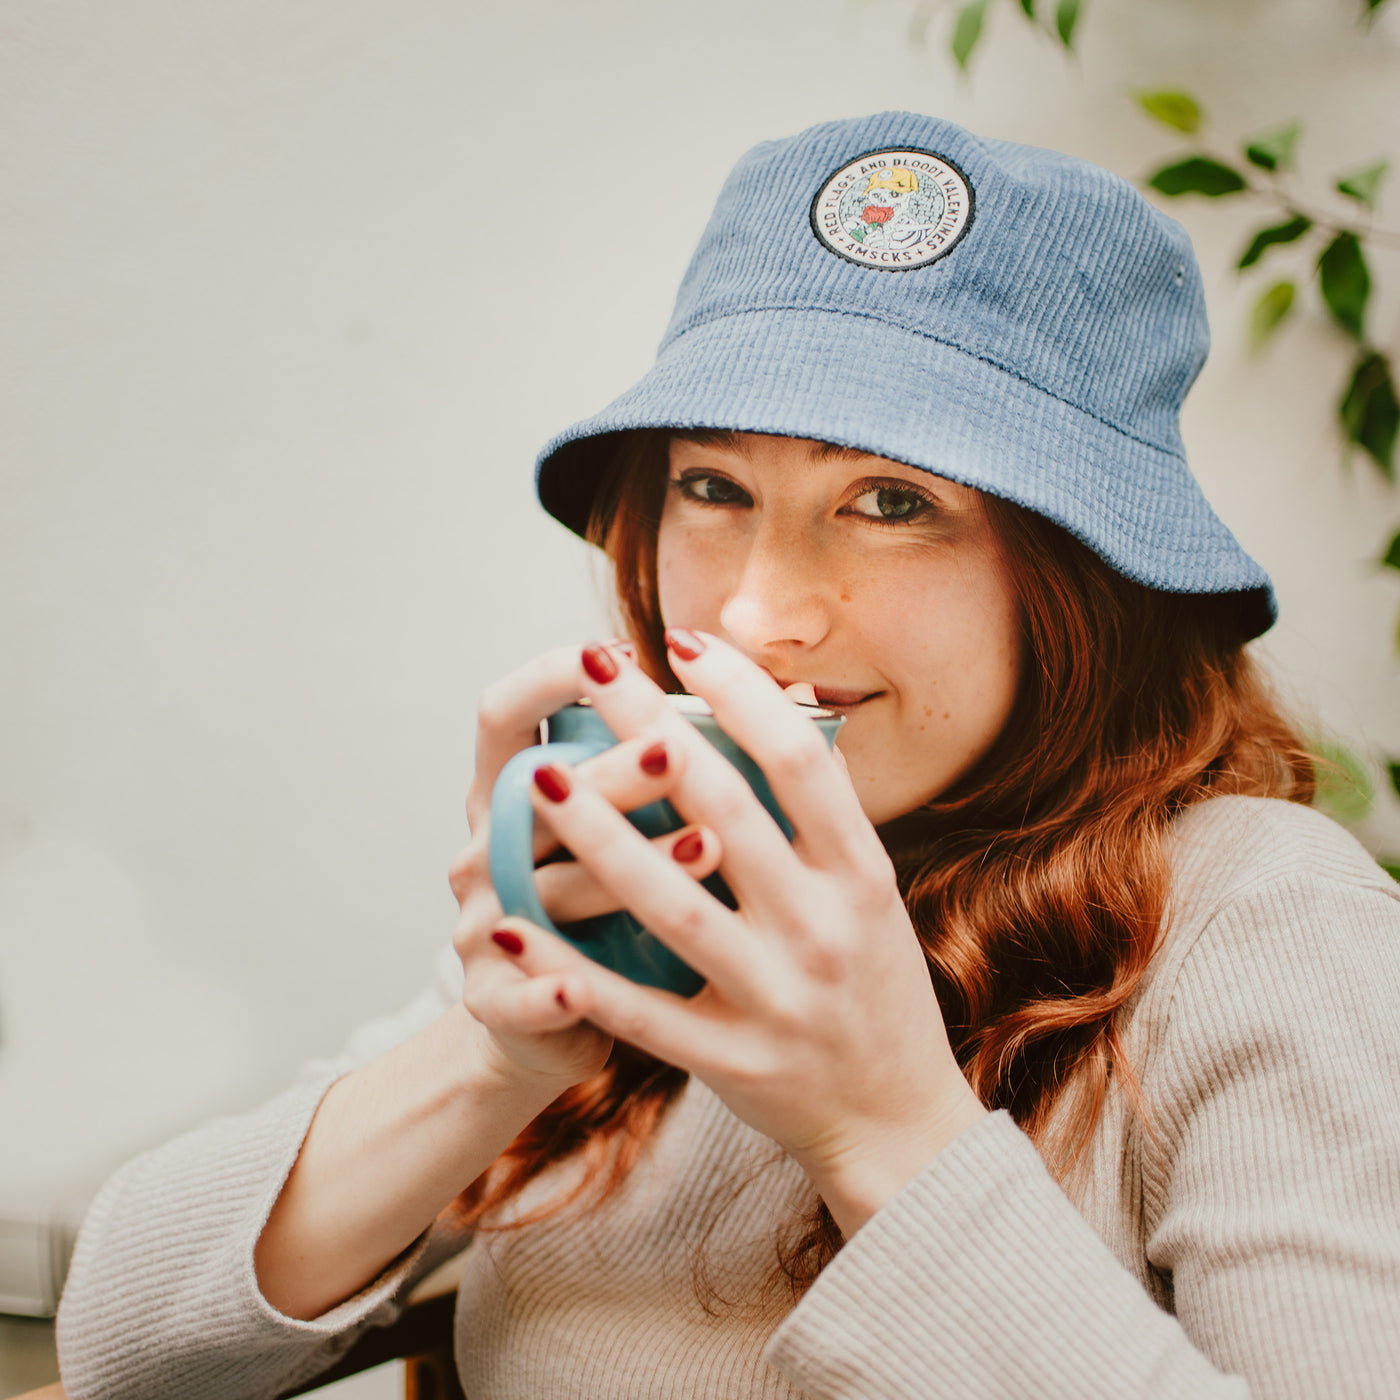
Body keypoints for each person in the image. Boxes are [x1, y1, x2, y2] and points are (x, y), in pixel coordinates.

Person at [55, 111, 1400, 1400]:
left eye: (891, 503)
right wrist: (495, 1057)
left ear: (1087, 580)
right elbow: (124, 1354)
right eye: (712, 487)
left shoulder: (1262, 917)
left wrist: (886, 1131)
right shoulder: (667, 850)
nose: (757, 614)